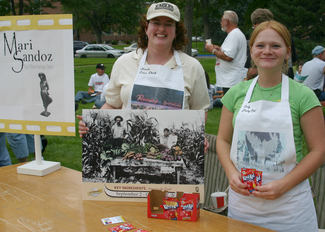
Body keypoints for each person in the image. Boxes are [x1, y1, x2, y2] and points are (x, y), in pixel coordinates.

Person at [216, 20, 325, 231]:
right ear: (251, 51)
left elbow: (319, 151)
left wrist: (284, 185)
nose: (267, 51)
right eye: (260, 45)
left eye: (275, 46)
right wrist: (231, 174)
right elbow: (222, 139)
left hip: (290, 210)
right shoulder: (237, 93)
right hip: (243, 206)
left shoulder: (303, 95)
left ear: (287, 52)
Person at [77, 2, 210, 151]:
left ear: (176, 31)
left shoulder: (192, 67)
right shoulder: (124, 62)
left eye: (168, 24)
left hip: (172, 151)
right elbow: (113, 105)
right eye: (156, 22)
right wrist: (92, 124)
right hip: (129, 148)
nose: (161, 28)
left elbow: (200, 112)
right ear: (146, 28)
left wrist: (197, 135)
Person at [247, 8, 298, 80]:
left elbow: (253, 72)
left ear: (257, 24)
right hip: (288, 77)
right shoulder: (284, 33)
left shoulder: (258, 38)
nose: (267, 51)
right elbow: (294, 61)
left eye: (275, 46)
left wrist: (247, 81)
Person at [205, 10, 247, 95]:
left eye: (222, 20)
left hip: (232, 80)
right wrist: (219, 49)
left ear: (226, 21)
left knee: (230, 106)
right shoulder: (235, 34)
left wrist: (212, 51)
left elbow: (228, 56)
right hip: (231, 79)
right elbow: (231, 52)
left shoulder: (234, 35)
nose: (221, 23)